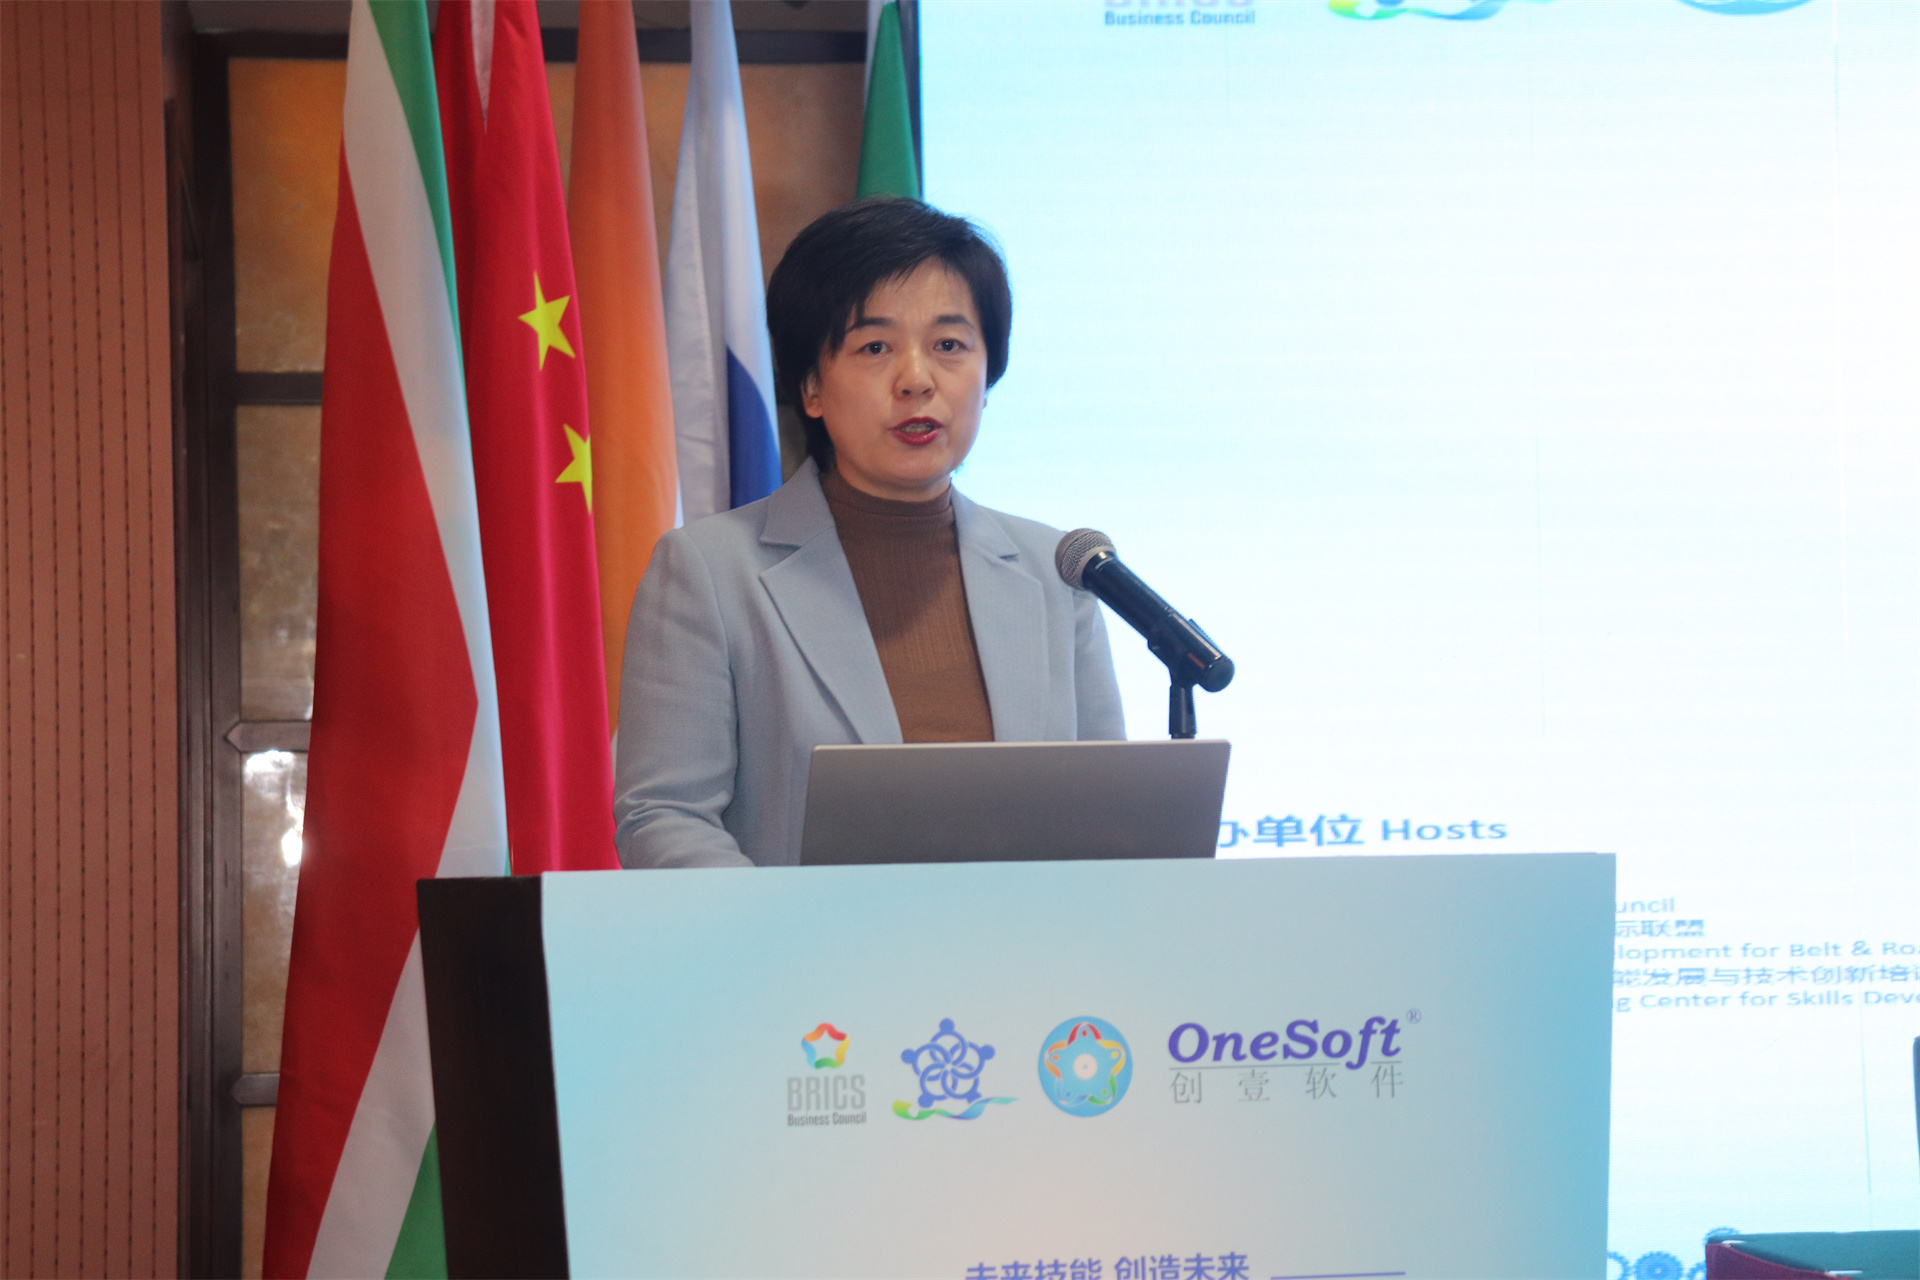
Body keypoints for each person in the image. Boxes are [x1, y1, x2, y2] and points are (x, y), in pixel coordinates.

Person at [613, 198, 1125, 868]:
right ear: (811, 387)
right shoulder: (710, 572)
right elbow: (664, 816)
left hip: (1022, 937)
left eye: (949, 345)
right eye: (875, 347)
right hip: (798, 937)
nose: (916, 380)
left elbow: (1108, 816)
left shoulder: (1057, 571)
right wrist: (781, 922)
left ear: (987, 377)